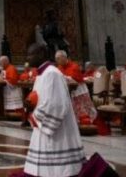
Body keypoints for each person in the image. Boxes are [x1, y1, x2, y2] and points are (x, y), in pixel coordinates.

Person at [23, 44, 85, 177]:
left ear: (41, 55)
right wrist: (29, 104)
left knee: (57, 170)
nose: (27, 58)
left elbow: (56, 105)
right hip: (42, 124)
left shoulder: (51, 73)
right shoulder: (43, 73)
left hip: (56, 130)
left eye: (30, 54)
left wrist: (34, 113)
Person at [55, 50, 97, 126]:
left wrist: (66, 78)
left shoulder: (74, 66)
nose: (57, 61)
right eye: (56, 59)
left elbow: (76, 79)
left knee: (83, 110)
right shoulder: (59, 67)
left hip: (78, 90)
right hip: (66, 91)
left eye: (58, 58)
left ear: (64, 57)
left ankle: (86, 122)